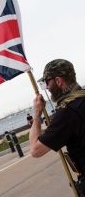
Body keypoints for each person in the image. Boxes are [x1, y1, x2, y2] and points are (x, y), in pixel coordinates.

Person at [29, 59, 85, 195]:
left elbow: (36, 150)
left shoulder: (66, 112)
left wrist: (37, 114)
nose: (46, 87)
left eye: (47, 82)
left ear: (58, 81)